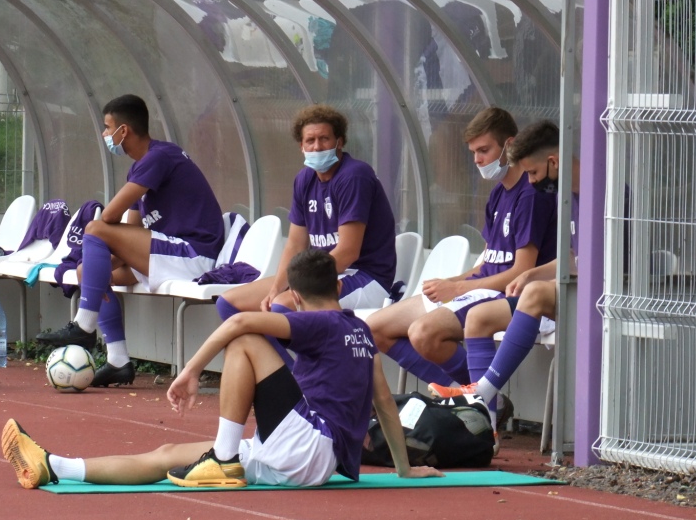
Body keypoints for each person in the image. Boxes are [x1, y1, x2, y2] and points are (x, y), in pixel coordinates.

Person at [2, 250, 443, 489]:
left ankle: (224, 460)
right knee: (167, 453)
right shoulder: (360, 330)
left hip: (308, 444)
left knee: (247, 341)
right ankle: (55, 466)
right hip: (308, 455)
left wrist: (190, 370)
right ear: (340, 286)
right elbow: (384, 402)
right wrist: (404, 469)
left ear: (294, 296)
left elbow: (238, 322)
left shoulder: (318, 323)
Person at [366, 107, 557, 398]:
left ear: (509, 145)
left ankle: (479, 399)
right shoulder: (497, 193)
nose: (477, 160)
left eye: (484, 150)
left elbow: (521, 271)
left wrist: (456, 288)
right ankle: (473, 396)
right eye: (473, 152)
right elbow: (489, 261)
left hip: (505, 295)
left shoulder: (531, 194)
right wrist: (451, 282)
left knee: (423, 333)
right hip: (480, 288)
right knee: (374, 328)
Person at [36, 94, 224, 387]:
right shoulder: (141, 166)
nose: (104, 134)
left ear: (124, 130)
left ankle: (84, 326)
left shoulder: (158, 157)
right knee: (88, 272)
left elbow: (109, 217)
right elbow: (129, 232)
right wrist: (99, 266)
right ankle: (118, 361)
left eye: (108, 127)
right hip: (168, 253)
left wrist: (101, 240)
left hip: (193, 253)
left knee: (95, 228)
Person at [430, 120, 579, 452]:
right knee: (478, 317)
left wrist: (531, 277)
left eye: (533, 173)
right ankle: (485, 430)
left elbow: (600, 263)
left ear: (553, 162)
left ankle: (481, 394)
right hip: (565, 289)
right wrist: (532, 274)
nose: (531, 181)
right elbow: (574, 256)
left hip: (601, 295)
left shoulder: (593, 194)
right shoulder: (564, 194)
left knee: (534, 292)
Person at [218, 105, 397, 325]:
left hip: (364, 276)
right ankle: (274, 350)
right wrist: (276, 288)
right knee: (229, 303)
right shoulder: (304, 179)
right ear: (301, 146)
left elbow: (348, 252)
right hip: (320, 274)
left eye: (324, 139)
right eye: (310, 141)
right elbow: (295, 245)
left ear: (339, 142)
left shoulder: (354, 176)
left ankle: (300, 349)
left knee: (282, 306)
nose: (317, 146)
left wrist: (300, 283)